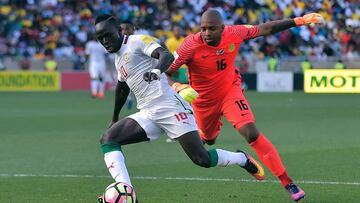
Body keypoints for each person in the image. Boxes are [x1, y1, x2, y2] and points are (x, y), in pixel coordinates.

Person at [94, 14, 265, 202]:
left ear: (118, 31)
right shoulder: (118, 58)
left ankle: (242, 159)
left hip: (171, 108)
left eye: (107, 35)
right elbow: (122, 88)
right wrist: (114, 118)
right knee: (108, 139)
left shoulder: (137, 42)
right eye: (100, 38)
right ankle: (126, 192)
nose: (105, 41)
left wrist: (156, 70)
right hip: (148, 113)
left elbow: (165, 55)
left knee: (202, 159)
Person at [167, 9, 325, 202]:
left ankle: (287, 181)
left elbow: (266, 28)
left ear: (223, 28)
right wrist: (177, 85)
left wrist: (299, 20)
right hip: (203, 101)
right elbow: (166, 72)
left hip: (229, 92)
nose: (207, 33)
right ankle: (239, 156)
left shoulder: (234, 33)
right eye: (203, 29)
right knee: (209, 140)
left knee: (251, 132)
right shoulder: (190, 45)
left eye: (212, 29)